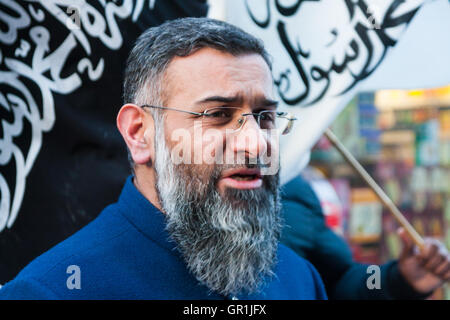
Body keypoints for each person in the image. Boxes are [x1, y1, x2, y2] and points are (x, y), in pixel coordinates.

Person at [0, 18, 327, 300]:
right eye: (218, 114)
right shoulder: (52, 290)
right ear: (139, 134)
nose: (256, 143)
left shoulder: (299, 280)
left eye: (265, 118)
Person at [280, 175, 450, 299]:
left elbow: (341, 278)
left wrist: (395, 279)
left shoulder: (293, 189)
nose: (258, 142)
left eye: (266, 124)